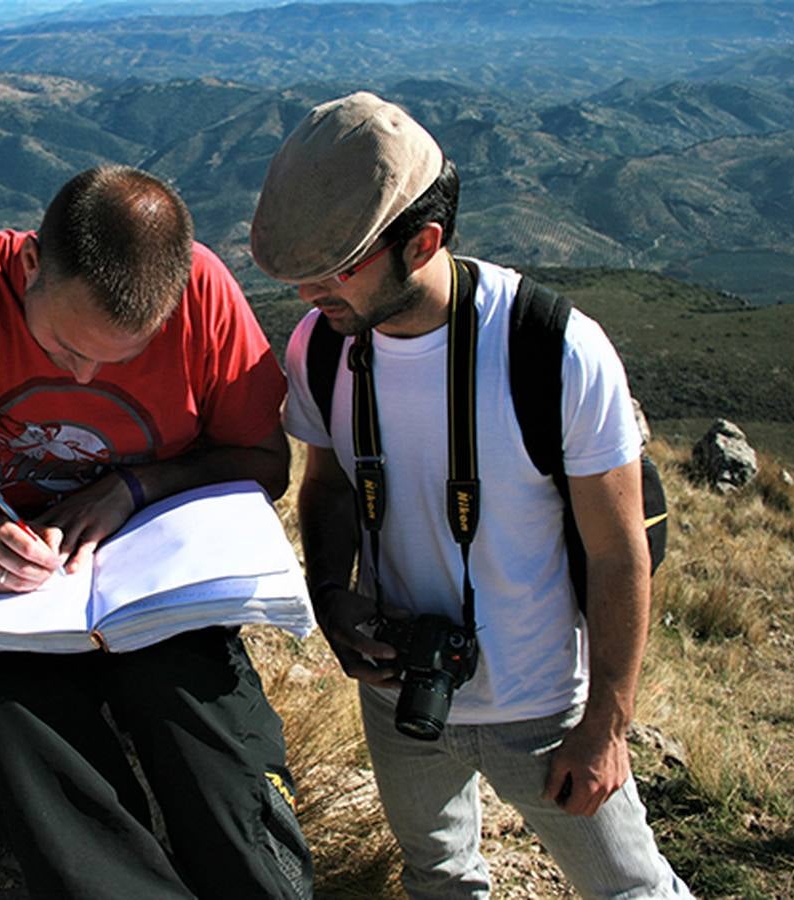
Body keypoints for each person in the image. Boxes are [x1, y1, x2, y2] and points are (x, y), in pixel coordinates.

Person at [0, 164, 313, 899]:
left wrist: (134, 487)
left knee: (214, 748)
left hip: (160, 592)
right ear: (28, 265)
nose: (85, 378)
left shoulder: (201, 290)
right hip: (17, 603)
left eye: (119, 357)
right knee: (8, 721)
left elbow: (266, 464)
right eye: (65, 348)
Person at [249, 92, 691, 898]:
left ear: (422, 242)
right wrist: (329, 598)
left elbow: (617, 547)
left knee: (630, 889)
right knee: (440, 877)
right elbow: (330, 486)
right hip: (399, 689)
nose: (311, 292)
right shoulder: (324, 344)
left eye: (336, 268)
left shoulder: (551, 350)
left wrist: (605, 727)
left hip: (542, 702)